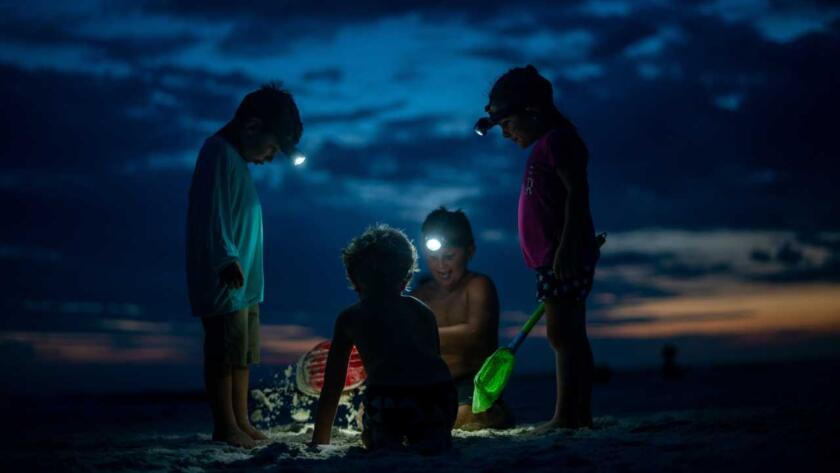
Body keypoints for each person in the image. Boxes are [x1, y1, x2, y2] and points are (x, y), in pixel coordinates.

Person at [475, 65, 600, 430]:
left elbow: (578, 192)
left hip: (563, 258)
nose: (505, 133)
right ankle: (575, 414)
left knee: (565, 334)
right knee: (564, 334)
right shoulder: (545, 146)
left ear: (532, 111)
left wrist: (567, 246)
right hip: (553, 260)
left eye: (506, 123)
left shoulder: (559, 140)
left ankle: (569, 416)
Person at [186, 83, 303, 448]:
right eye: (271, 148)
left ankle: (242, 420)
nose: (269, 158)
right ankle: (225, 425)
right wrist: (225, 258)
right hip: (227, 277)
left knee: (242, 354)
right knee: (223, 351)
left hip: (246, 282)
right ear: (252, 127)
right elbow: (212, 211)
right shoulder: (217, 153)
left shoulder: (235, 160)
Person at [311, 225, 456, 453]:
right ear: (406, 277)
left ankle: (381, 435)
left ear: (354, 280)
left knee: (370, 425)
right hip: (438, 400)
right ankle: (433, 435)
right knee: (428, 429)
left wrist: (319, 439)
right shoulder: (422, 312)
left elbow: (333, 384)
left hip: (391, 402)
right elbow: (434, 363)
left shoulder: (351, 318)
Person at [411, 207, 513, 430]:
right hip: (429, 385)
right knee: (377, 413)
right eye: (433, 258)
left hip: (472, 383)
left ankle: (493, 412)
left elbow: (475, 334)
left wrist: (415, 335)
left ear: (470, 252)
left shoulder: (478, 286)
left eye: (449, 257)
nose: (441, 266)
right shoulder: (418, 296)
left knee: (465, 417)